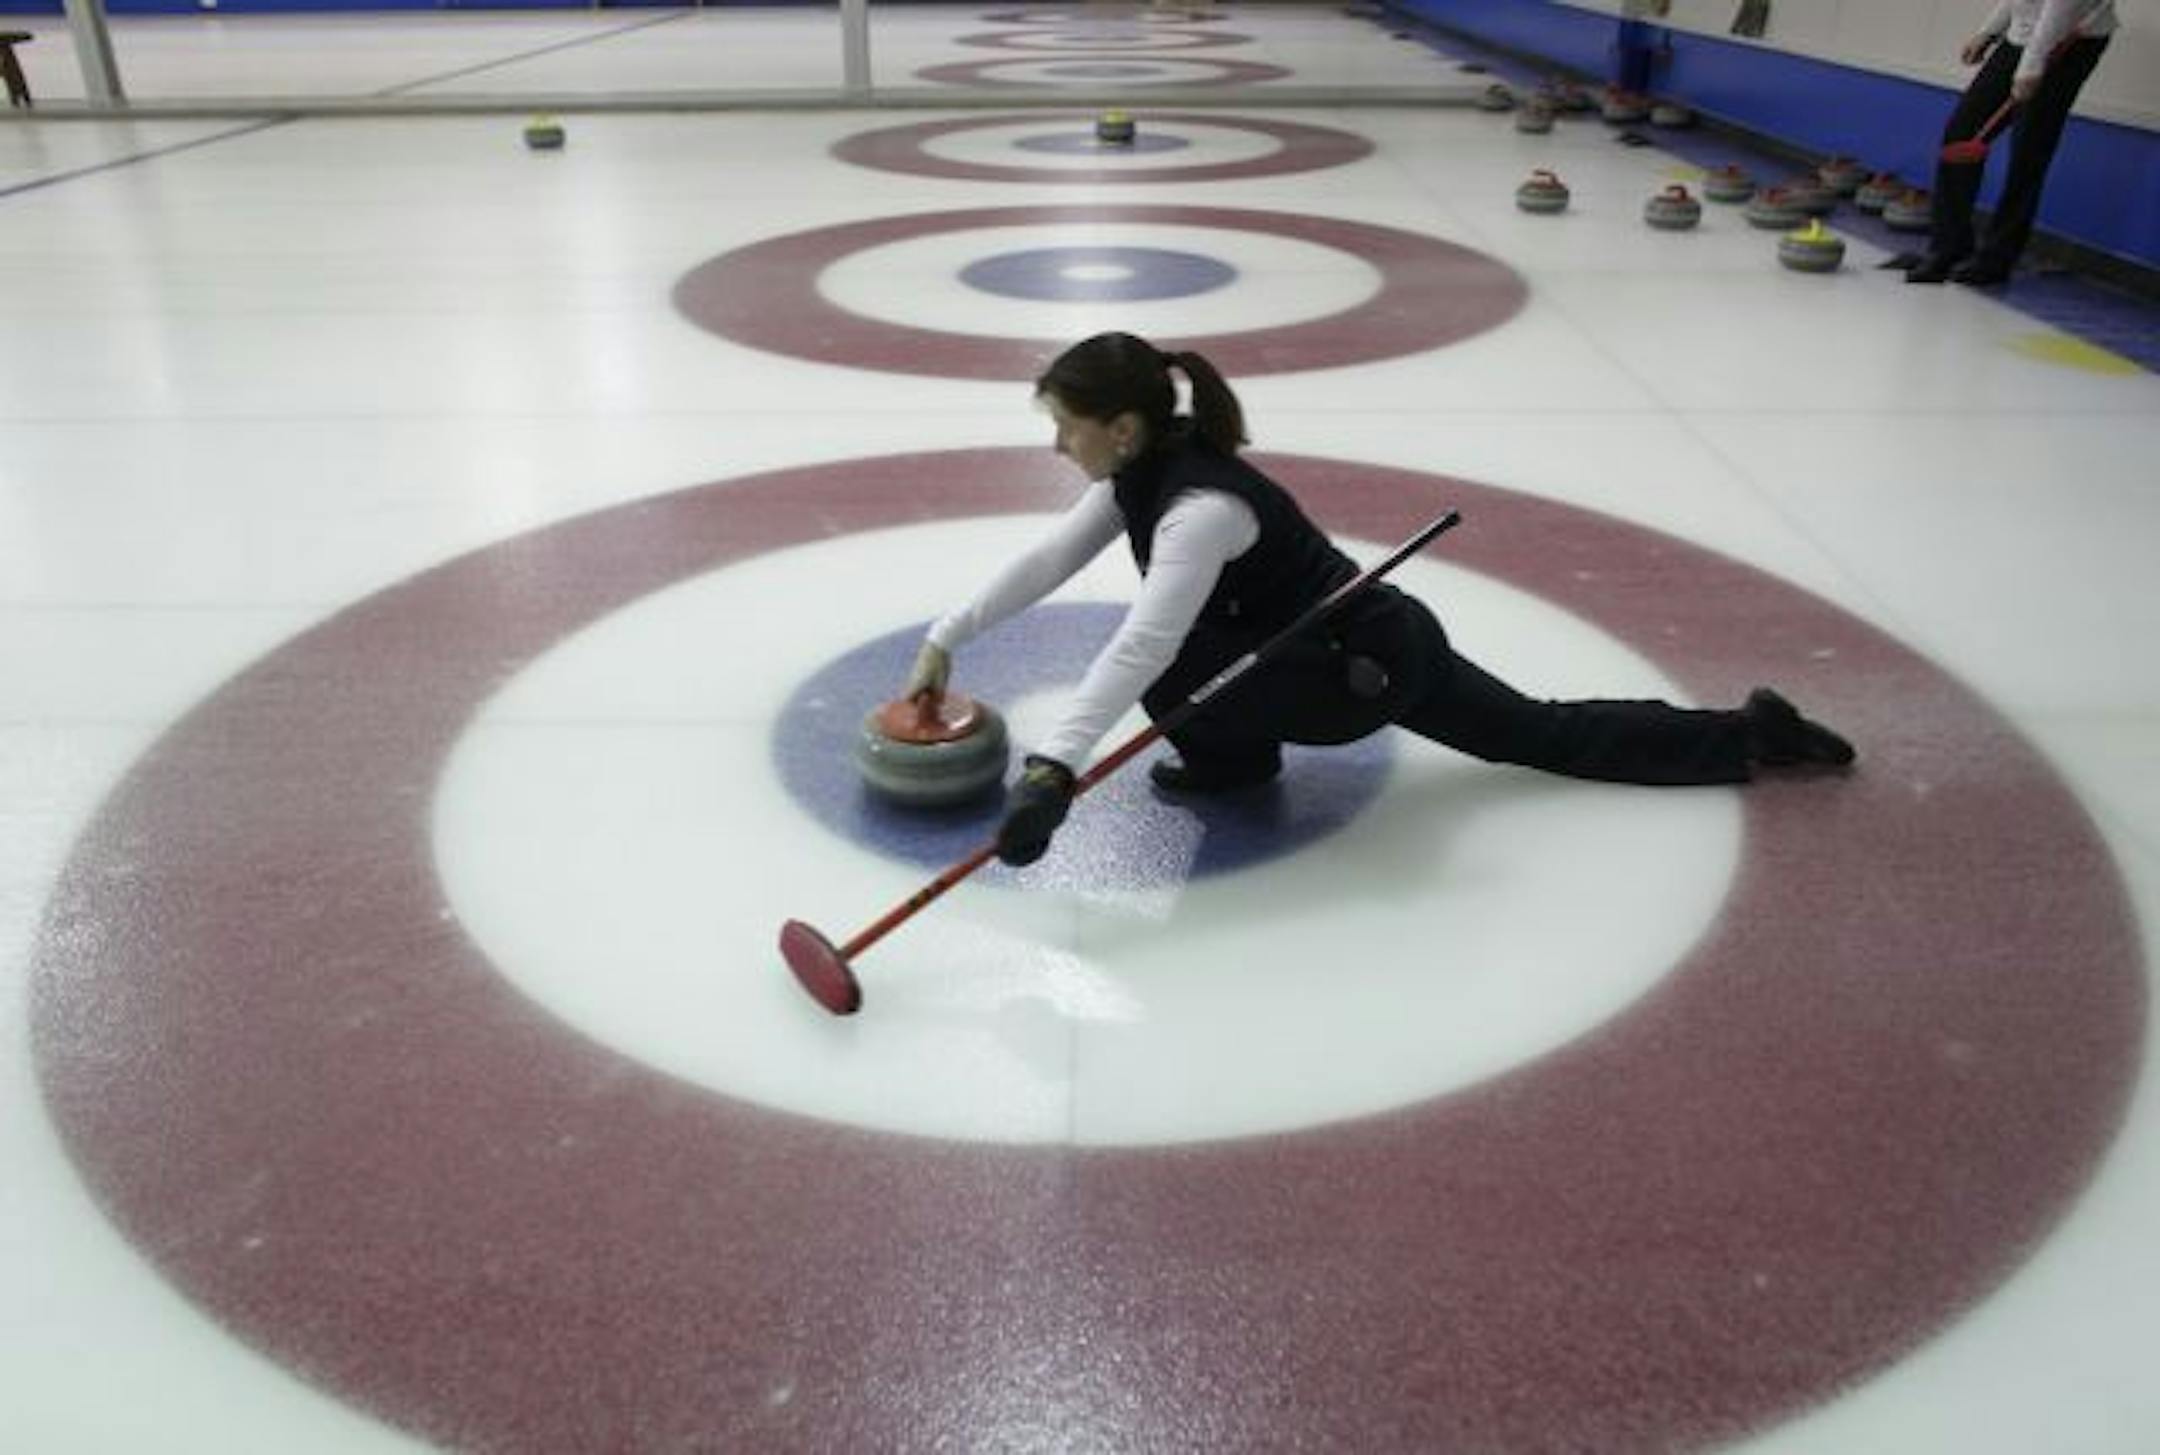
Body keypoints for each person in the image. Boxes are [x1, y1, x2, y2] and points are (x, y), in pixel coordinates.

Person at [901, 333, 1855, 868]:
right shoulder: (1138, 475)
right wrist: (950, 637)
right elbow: (1047, 562)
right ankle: (1748, 733)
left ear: (1121, 425)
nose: (1057, 445)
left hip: (1357, 669)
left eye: (1065, 428)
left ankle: (1236, 764)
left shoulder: (1198, 510)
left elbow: (1143, 647)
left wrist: (1054, 772)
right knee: (1537, 731)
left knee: (1175, 666)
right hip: (1366, 639)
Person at [1905, 0, 2115, 287]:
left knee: (2028, 150)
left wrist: (2030, 67)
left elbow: (2059, 8)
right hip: (2024, 36)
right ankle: (1949, 246)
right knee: (1961, 133)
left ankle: (1996, 258)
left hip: (2072, 40)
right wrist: (1989, 32)